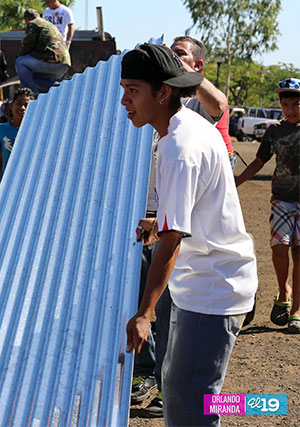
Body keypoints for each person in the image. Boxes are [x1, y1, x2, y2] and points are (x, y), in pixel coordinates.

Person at [122, 44, 257, 426]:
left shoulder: (179, 147)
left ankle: (267, 405)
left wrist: (145, 313)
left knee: (187, 407)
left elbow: (173, 238)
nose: (123, 100)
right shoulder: (189, 127)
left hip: (212, 290)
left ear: (163, 92)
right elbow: (194, 209)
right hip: (205, 283)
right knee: (191, 393)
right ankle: (266, 405)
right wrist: (157, 223)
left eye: (133, 90)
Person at [236, 78, 300, 332]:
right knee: (280, 248)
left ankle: (296, 309)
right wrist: (235, 182)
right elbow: (259, 161)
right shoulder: (275, 131)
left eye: (296, 103)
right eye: (286, 104)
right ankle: (283, 291)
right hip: (282, 200)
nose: (291, 109)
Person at [170, 36, 237, 168]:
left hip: (220, 156)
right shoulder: (170, 92)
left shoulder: (204, 95)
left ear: (198, 65)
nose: (171, 58)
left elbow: (218, 104)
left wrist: (175, 63)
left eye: (179, 54)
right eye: (170, 54)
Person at [15, 9, 70, 94]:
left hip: (52, 61)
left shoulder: (33, 23)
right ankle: (62, 90)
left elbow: (27, 45)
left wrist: (19, 55)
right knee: (34, 78)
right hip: (64, 65)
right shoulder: (49, 24)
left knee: (20, 62)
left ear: (27, 19)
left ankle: (30, 94)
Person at [0, 87, 33, 182]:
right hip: (8, 182)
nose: (22, 108)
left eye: (27, 105)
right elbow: (0, 158)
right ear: (11, 106)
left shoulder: (36, 131)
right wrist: (0, 182)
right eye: (19, 104)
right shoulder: (0, 129)